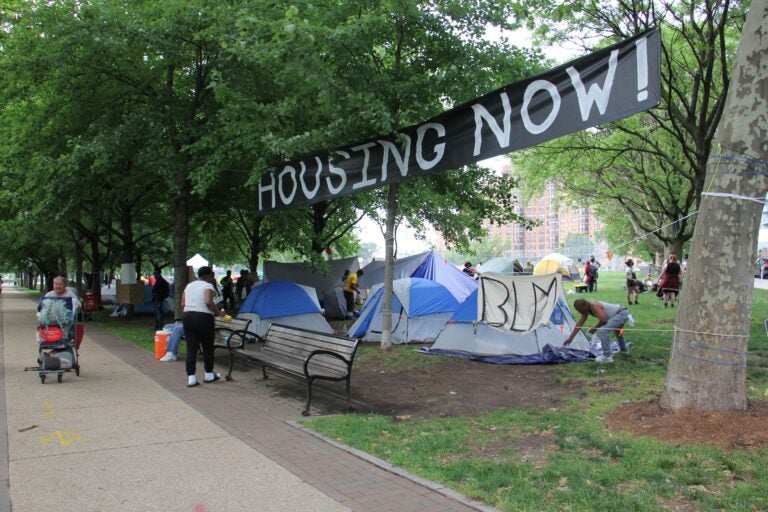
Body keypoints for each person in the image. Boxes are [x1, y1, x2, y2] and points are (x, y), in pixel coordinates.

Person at [182, 266, 225, 387]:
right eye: (212, 275)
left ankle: (191, 378)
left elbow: (183, 303)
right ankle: (209, 374)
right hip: (203, 319)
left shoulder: (189, 286)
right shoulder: (208, 286)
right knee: (207, 347)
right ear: (207, 276)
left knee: (191, 349)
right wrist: (218, 313)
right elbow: (208, 301)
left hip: (188, 317)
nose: (213, 277)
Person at [564, 299, 629, 363]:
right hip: (619, 313)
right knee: (617, 331)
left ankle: (607, 357)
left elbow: (604, 320)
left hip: (621, 313)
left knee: (603, 330)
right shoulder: (586, 311)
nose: (579, 312)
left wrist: (595, 328)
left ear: (584, 306)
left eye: (579, 310)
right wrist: (571, 338)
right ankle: (623, 350)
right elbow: (579, 324)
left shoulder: (594, 305)